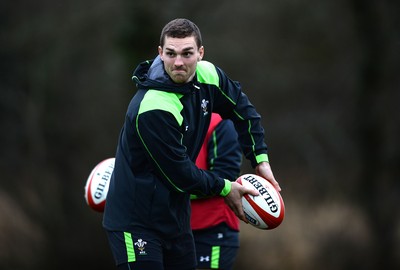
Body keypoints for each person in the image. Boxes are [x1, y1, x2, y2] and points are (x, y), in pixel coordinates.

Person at [103, 18, 281, 270]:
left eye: (187, 53)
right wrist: (225, 188)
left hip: (175, 220)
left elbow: (244, 112)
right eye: (171, 53)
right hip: (136, 221)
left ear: (200, 53)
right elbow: (180, 174)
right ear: (160, 53)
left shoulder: (209, 75)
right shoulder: (153, 106)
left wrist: (260, 160)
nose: (178, 62)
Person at [191, 113, 242, 270]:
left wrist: (176, 188)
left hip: (213, 229)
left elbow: (225, 176)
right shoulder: (168, 115)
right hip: (178, 229)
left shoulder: (220, 121)